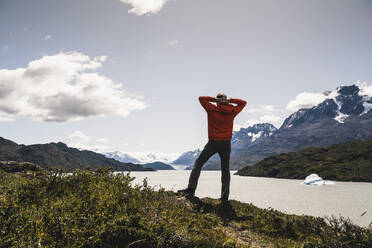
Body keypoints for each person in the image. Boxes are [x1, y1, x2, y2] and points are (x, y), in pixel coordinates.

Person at [178, 93, 246, 202]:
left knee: (198, 164)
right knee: (225, 170)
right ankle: (224, 197)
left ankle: (191, 189)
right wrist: (230, 101)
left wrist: (215, 100)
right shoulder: (233, 111)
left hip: (213, 143)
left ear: (217, 101)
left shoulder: (212, 109)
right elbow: (243, 103)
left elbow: (201, 98)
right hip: (226, 144)